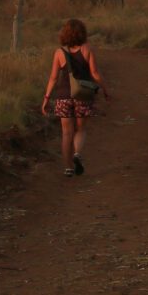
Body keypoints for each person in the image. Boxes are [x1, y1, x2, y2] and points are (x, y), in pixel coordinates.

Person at [40, 18, 111, 177]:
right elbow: (95, 73)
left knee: (66, 133)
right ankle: (77, 153)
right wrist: (105, 90)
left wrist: (46, 99)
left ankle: (68, 168)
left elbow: (53, 78)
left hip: (63, 96)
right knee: (80, 129)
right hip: (83, 95)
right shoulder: (87, 49)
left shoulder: (59, 52)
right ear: (82, 33)